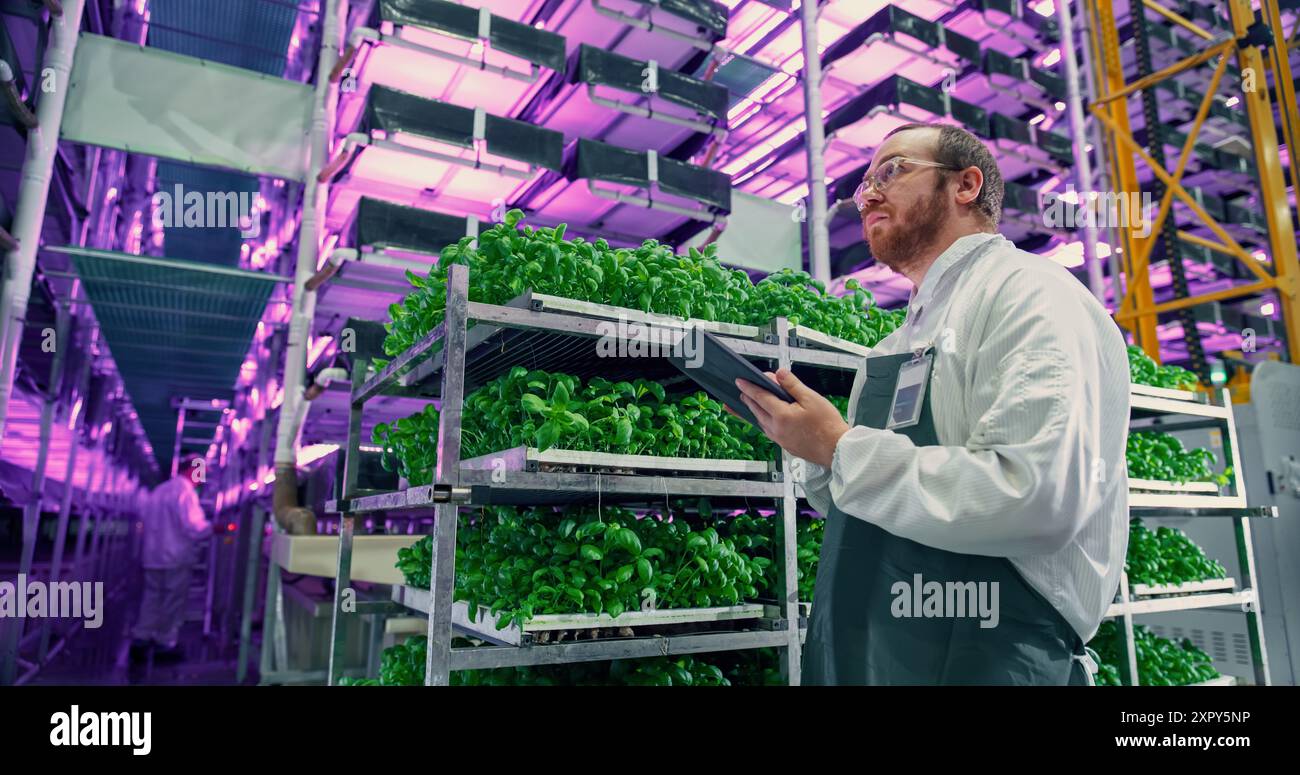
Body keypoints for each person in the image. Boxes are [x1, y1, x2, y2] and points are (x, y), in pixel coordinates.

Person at [735, 122, 1130, 685]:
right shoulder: (894, 346)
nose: (867, 193)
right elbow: (879, 510)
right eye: (864, 181)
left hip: (988, 651)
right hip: (866, 649)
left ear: (965, 186)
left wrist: (840, 445)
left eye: (892, 171)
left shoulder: (1030, 294)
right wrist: (806, 445)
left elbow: (1034, 496)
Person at [130, 453, 213, 662]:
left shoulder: (159, 491)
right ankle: (164, 643)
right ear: (193, 469)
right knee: (172, 601)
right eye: (201, 472)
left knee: (150, 599)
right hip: (175, 557)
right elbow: (194, 528)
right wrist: (216, 527)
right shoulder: (185, 492)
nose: (202, 478)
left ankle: (141, 639)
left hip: (152, 556)